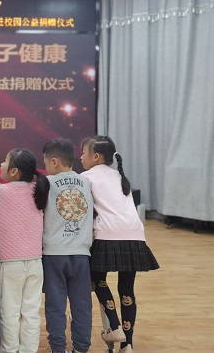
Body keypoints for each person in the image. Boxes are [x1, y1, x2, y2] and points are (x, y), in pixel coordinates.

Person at [80, 135, 159, 353]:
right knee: (127, 289)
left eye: (84, 152)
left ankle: (114, 326)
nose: (81, 157)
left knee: (97, 279)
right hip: (135, 236)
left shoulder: (86, 177)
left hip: (108, 234)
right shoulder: (119, 176)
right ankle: (127, 344)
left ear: (96, 157)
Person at [0, 148, 50, 353]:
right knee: (31, 313)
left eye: (4, 160)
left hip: (9, 263)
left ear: (14, 171)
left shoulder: (0, 191)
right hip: (35, 261)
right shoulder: (39, 190)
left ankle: (9, 349)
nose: (1, 164)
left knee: (9, 312)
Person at [42, 138, 94, 353]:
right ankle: (81, 348)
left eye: (45, 162)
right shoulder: (87, 182)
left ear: (54, 162)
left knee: (55, 305)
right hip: (82, 253)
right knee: (82, 304)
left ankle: (58, 348)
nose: (45, 167)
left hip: (54, 254)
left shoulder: (46, 183)